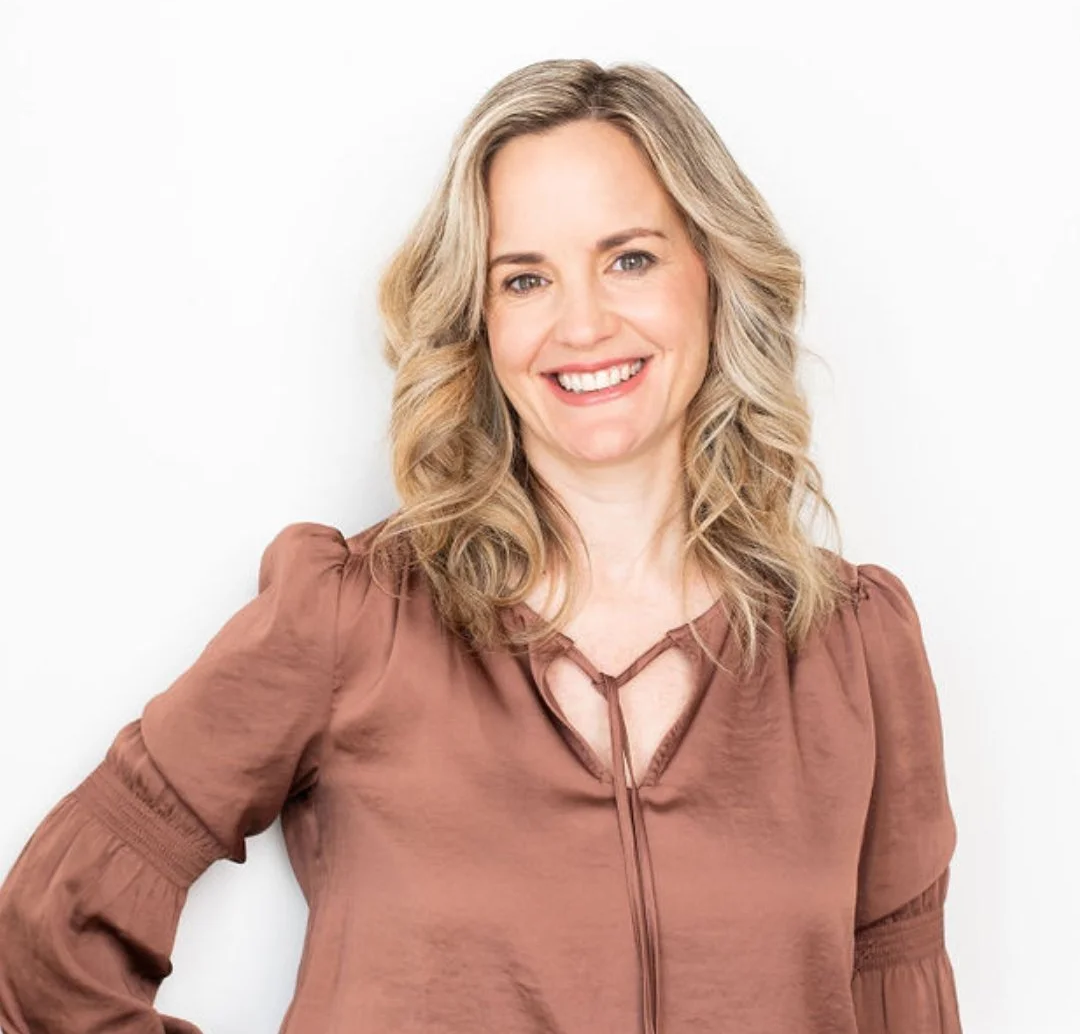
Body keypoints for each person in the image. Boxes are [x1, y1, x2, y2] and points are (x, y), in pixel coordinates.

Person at [0, 58, 962, 1033]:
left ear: (712, 274)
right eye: (526, 278)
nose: (583, 323)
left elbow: (904, 1011)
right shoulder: (352, 617)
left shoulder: (852, 652)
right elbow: (47, 940)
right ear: (480, 319)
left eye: (629, 258)